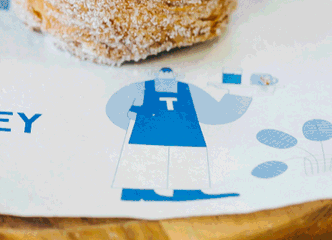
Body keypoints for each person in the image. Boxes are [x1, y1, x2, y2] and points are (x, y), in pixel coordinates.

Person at [106, 66, 251, 197]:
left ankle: (188, 190)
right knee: (146, 159)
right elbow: (116, 107)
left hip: (182, 134)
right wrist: (132, 121)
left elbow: (215, 112)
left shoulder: (187, 89)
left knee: (185, 160)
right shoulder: (142, 88)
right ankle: (139, 191)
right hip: (151, 133)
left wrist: (237, 95)